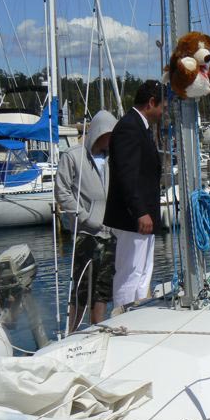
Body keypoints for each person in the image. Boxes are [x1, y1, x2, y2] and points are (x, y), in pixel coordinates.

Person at [104, 80, 165, 308]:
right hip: (133, 217)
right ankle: (124, 316)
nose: (164, 112)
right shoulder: (129, 127)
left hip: (143, 216)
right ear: (151, 103)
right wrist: (140, 211)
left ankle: (138, 312)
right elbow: (126, 174)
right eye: (163, 107)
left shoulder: (141, 128)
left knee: (143, 271)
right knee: (130, 271)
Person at [55, 110, 117, 331]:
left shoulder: (113, 158)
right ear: (99, 132)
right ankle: (72, 330)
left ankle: (98, 326)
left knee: (104, 286)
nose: (112, 139)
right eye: (109, 134)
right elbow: (62, 191)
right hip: (86, 232)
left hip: (110, 230)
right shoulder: (72, 156)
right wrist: (83, 216)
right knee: (82, 285)